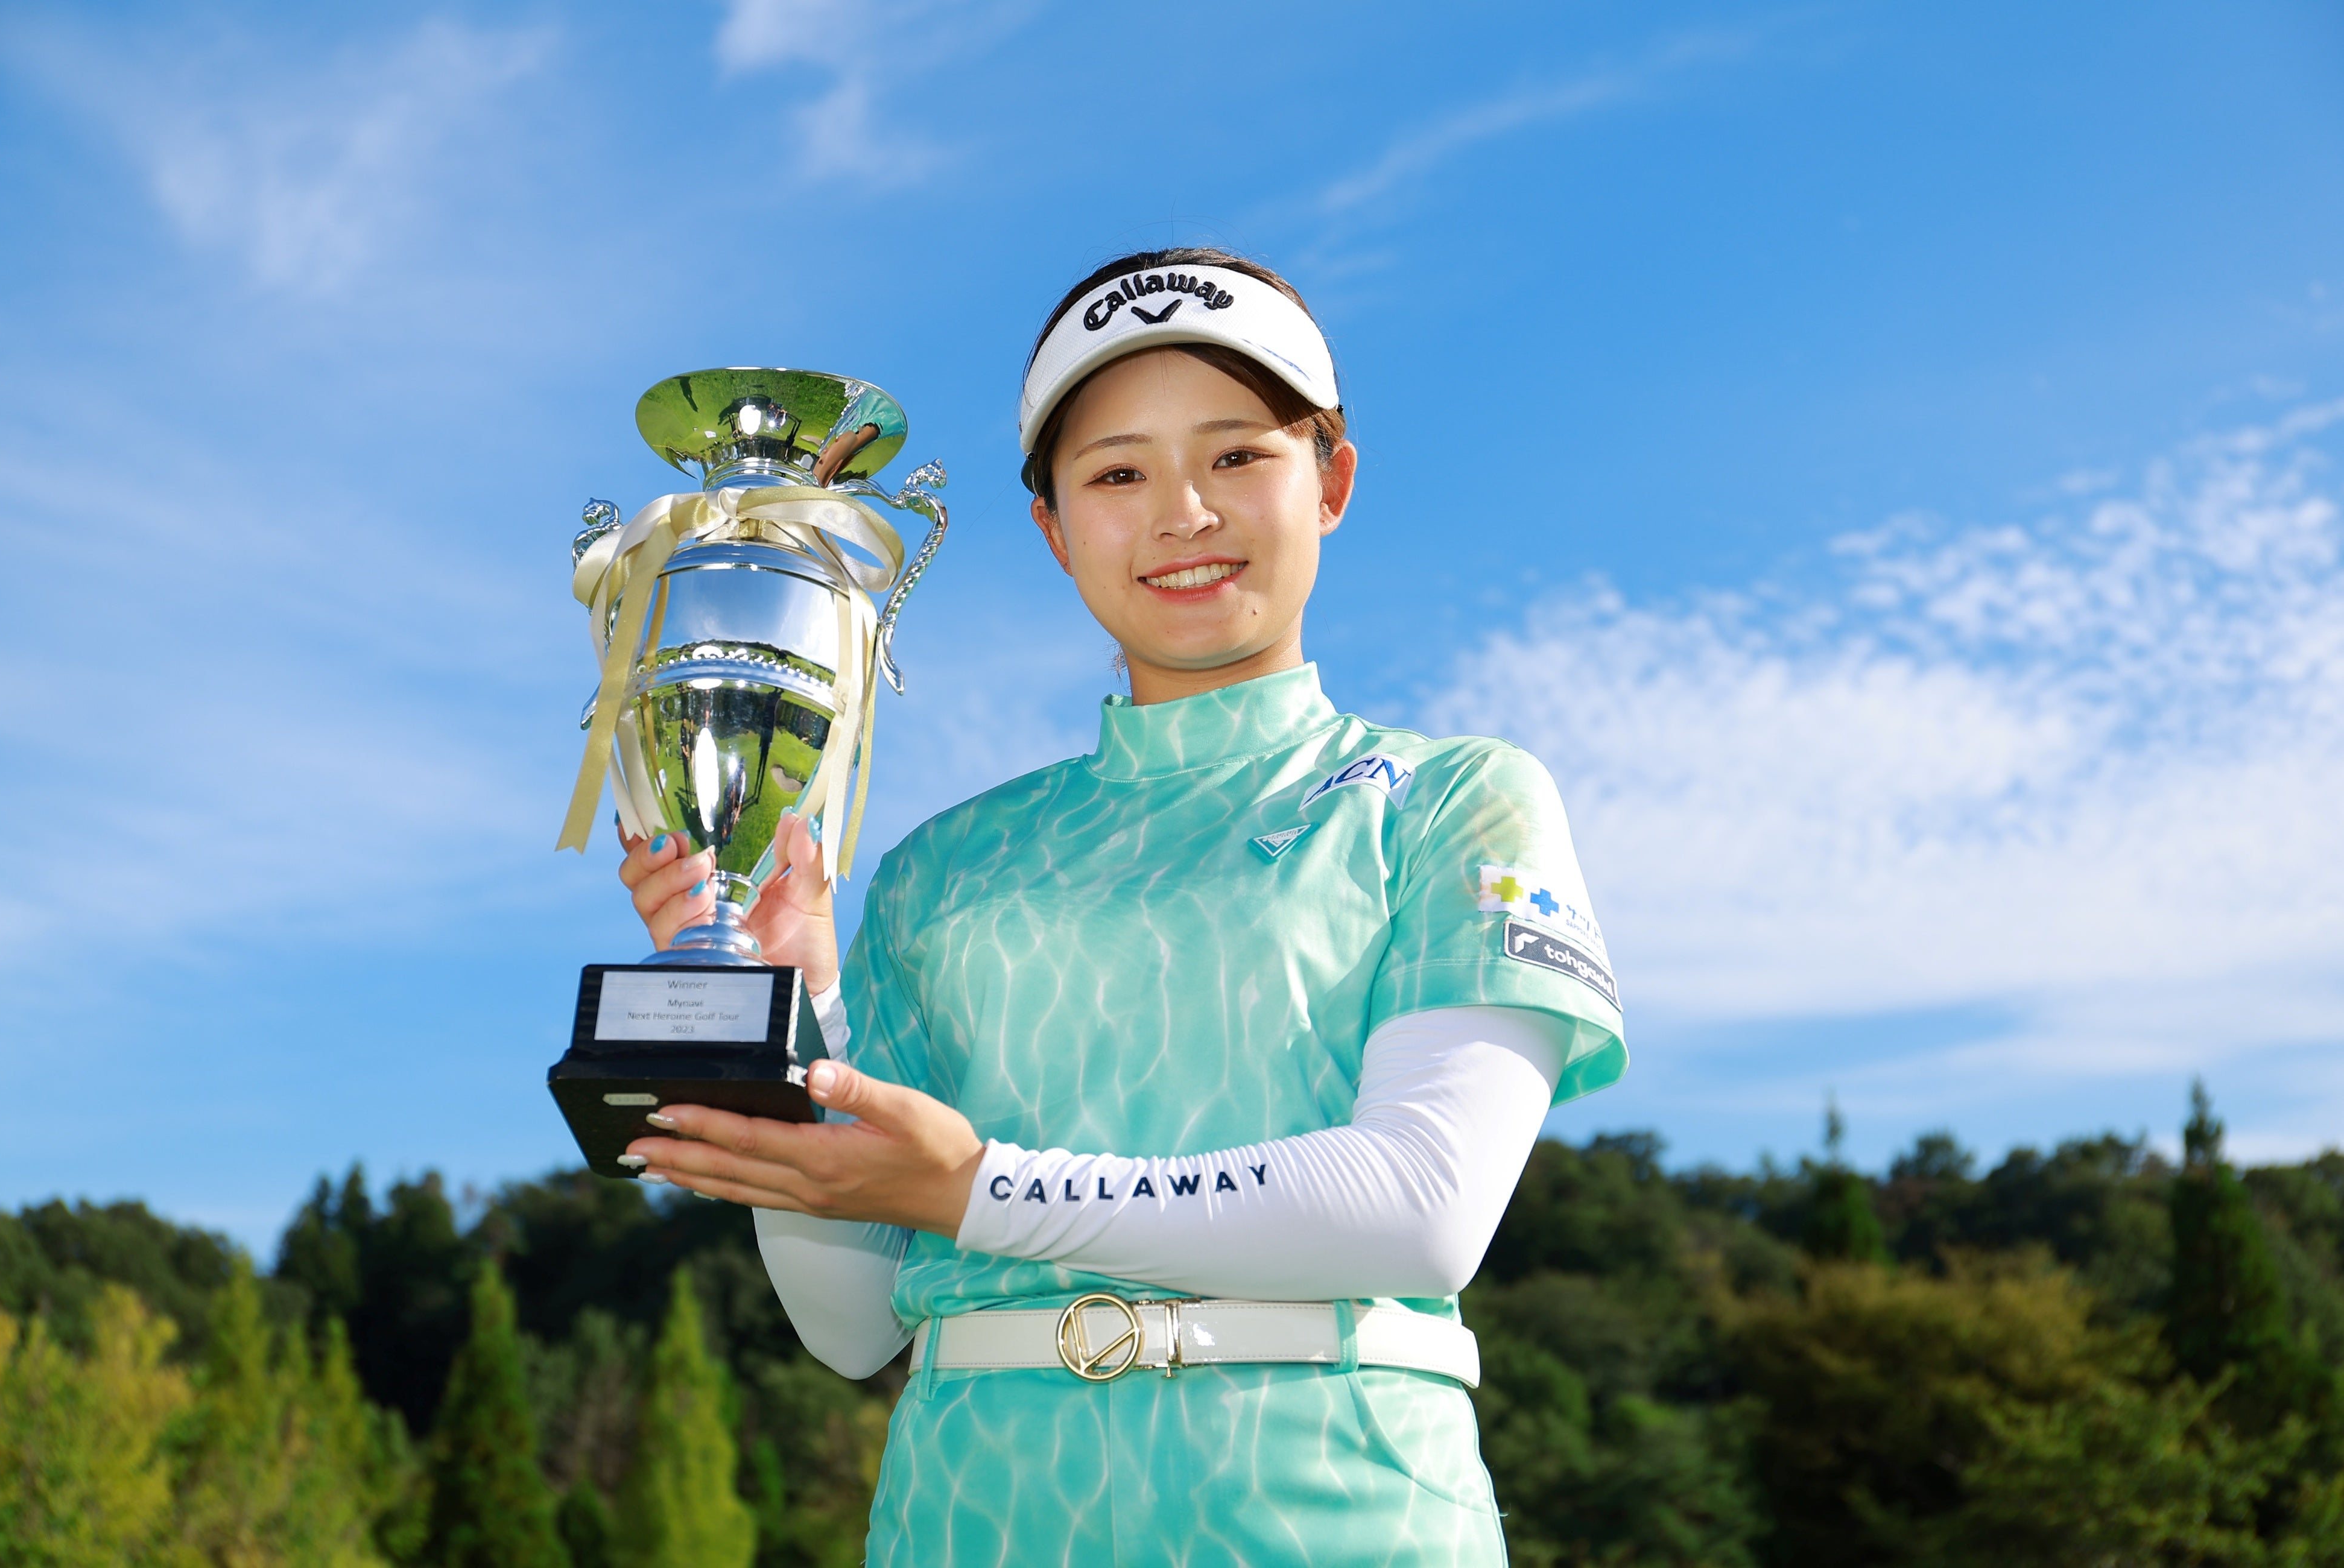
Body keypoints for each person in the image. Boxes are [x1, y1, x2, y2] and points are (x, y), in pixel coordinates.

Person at [615, 247, 1628, 1566]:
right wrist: (793, 1029)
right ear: (1053, 527)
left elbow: (1420, 1209)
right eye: (1116, 474)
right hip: (973, 1517)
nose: (1183, 513)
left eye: (1238, 455)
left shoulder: (1455, 800)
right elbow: (851, 1325)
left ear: (1332, 480)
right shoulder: (938, 871)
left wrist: (982, 1191)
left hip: (1343, 1516)